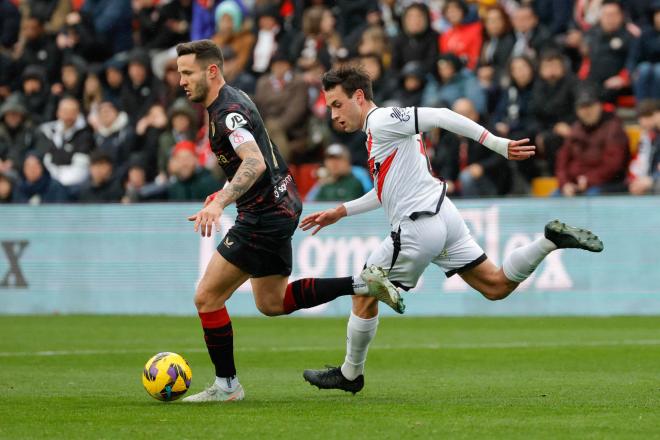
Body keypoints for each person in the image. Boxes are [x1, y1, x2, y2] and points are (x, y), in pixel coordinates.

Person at [300, 65, 604, 394]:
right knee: (496, 285)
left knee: (364, 292)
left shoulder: (382, 120)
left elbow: (444, 115)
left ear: (358, 97)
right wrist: (342, 211)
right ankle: (548, 242)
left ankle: (350, 374)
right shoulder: (380, 134)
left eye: (336, 104)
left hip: (417, 226)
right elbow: (384, 190)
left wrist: (497, 144)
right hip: (444, 214)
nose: (333, 115)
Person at [174, 40, 403, 403]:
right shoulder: (234, 99)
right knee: (272, 302)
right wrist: (224, 190)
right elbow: (250, 160)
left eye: (187, 72)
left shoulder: (226, 113)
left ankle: (227, 386)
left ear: (211, 71)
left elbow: (254, 162)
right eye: (179, 73)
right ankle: (360, 284)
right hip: (280, 204)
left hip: (263, 215)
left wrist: (221, 201)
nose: (181, 80)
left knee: (207, 298)